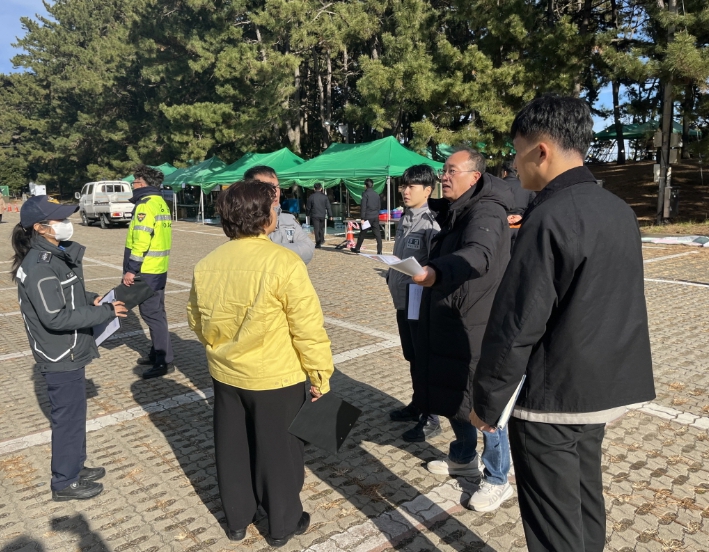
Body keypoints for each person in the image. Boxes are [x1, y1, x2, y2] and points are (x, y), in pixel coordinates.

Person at [471, 95, 655, 552]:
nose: (514, 164)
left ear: (541, 150)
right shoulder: (618, 209)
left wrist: (488, 402)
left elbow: (517, 322)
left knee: (553, 520)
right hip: (602, 388)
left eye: (517, 151)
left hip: (552, 397)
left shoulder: (549, 217)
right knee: (585, 498)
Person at [187, 180, 333, 547]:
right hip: (275, 376)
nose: (276, 213)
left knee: (233, 446)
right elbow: (307, 327)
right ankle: (282, 524)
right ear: (264, 217)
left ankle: (237, 519)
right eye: (273, 208)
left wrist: (221, 347)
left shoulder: (207, 263)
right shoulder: (284, 262)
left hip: (226, 374)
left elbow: (196, 320)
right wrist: (320, 375)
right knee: (279, 452)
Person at [411, 148, 515, 512]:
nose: (444, 176)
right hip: (452, 317)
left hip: (477, 323)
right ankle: (462, 458)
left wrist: (437, 272)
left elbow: (478, 254)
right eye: (443, 169)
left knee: (485, 403)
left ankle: (498, 478)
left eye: (451, 170)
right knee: (456, 394)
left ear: (474, 177)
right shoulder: (457, 209)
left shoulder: (486, 211)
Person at [11, 195, 128, 501]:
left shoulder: (54, 255)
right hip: (61, 354)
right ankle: (64, 482)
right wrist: (105, 313)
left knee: (75, 417)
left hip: (69, 350)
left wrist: (92, 299)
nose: (66, 224)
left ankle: (75, 465)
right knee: (68, 421)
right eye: (59, 220)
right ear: (39, 227)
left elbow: (67, 293)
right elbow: (55, 316)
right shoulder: (39, 265)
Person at [386, 165, 441, 442]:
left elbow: (436, 266)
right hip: (403, 300)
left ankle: (432, 417)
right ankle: (418, 404)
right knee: (412, 356)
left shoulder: (431, 223)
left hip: (419, 301)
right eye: (403, 186)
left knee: (424, 359)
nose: (405, 191)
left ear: (428, 190)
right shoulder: (405, 218)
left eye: (412, 186)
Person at [123, 165, 174, 379]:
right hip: (159, 268)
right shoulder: (160, 202)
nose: (132, 185)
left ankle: (164, 361)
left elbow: (141, 242)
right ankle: (156, 353)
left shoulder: (144, 205)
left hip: (146, 270)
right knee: (158, 313)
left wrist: (131, 270)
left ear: (142, 183)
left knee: (152, 315)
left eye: (134, 182)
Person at [244, 165, 314, 264]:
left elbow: (308, 249)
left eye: (277, 187)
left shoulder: (288, 219)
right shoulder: (245, 220)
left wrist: (270, 250)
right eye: (267, 187)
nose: (275, 193)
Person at [501, 159, 535, 250]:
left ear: (504, 172)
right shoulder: (526, 186)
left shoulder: (498, 185)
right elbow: (534, 205)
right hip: (520, 225)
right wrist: (521, 216)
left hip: (502, 225)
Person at [352, 178, 382, 254]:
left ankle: (357, 248)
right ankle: (379, 251)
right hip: (375, 216)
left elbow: (363, 207)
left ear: (365, 186)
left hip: (367, 217)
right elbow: (379, 206)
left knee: (362, 233)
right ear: (373, 185)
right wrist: (376, 213)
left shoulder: (365, 194)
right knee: (377, 234)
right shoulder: (376, 194)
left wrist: (362, 218)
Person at [306, 183, 332, 248]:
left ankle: (318, 243)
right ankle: (322, 239)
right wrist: (330, 215)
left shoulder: (311, 197)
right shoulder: (325, 197)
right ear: (321, 189)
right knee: (321, 228)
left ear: (314, 189)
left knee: (316, 229)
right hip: (322, 214)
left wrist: (307, 214)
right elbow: (328, 207)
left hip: (314, 214)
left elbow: (308, 207)